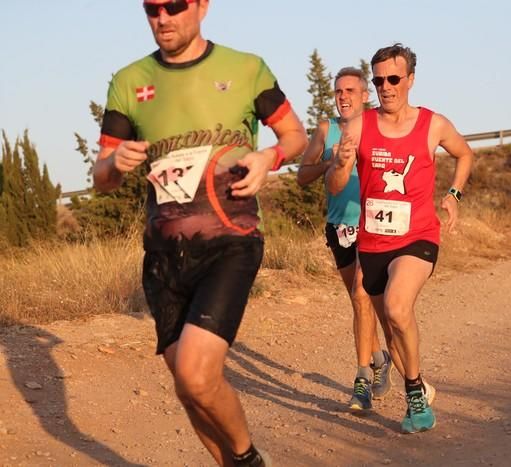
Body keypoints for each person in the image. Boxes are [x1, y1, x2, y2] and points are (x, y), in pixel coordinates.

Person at [93, 1, 307, 465]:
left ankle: (250, 460)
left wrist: (269, 158)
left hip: (232, 242)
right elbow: (101, 175)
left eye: (174, 5)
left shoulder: (246, 68)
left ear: (202, 6)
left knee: (195, 374)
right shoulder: (128, 81)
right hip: (164, 257)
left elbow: (296, 136)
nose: (162, 17)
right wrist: (114, 164)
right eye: (152, 8)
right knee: (189, 390)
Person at [326, 43, 474, 434]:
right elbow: (335, 183)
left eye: (393, 78)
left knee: (395, 306)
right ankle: (419, 387)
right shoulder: (359, 126)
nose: (385, 87)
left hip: (418, 236)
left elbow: (465, 154)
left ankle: (413, 396)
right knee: (392, 330)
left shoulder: (433, 124)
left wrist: (454, 195)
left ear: (409, 79)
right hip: (372, 243)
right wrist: (340, 165)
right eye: (378, 80)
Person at [296, 67, 396, 413]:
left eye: (351, 90)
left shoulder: (377, 124)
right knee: (361, 304)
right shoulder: (326, 129)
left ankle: (363, 380)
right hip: (339, 228)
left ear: (364, 95)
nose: (343, 97)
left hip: (374, 226)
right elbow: (301, 177)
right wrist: (331, 162)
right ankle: (382, 357)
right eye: (339, 91)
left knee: (364, 296)